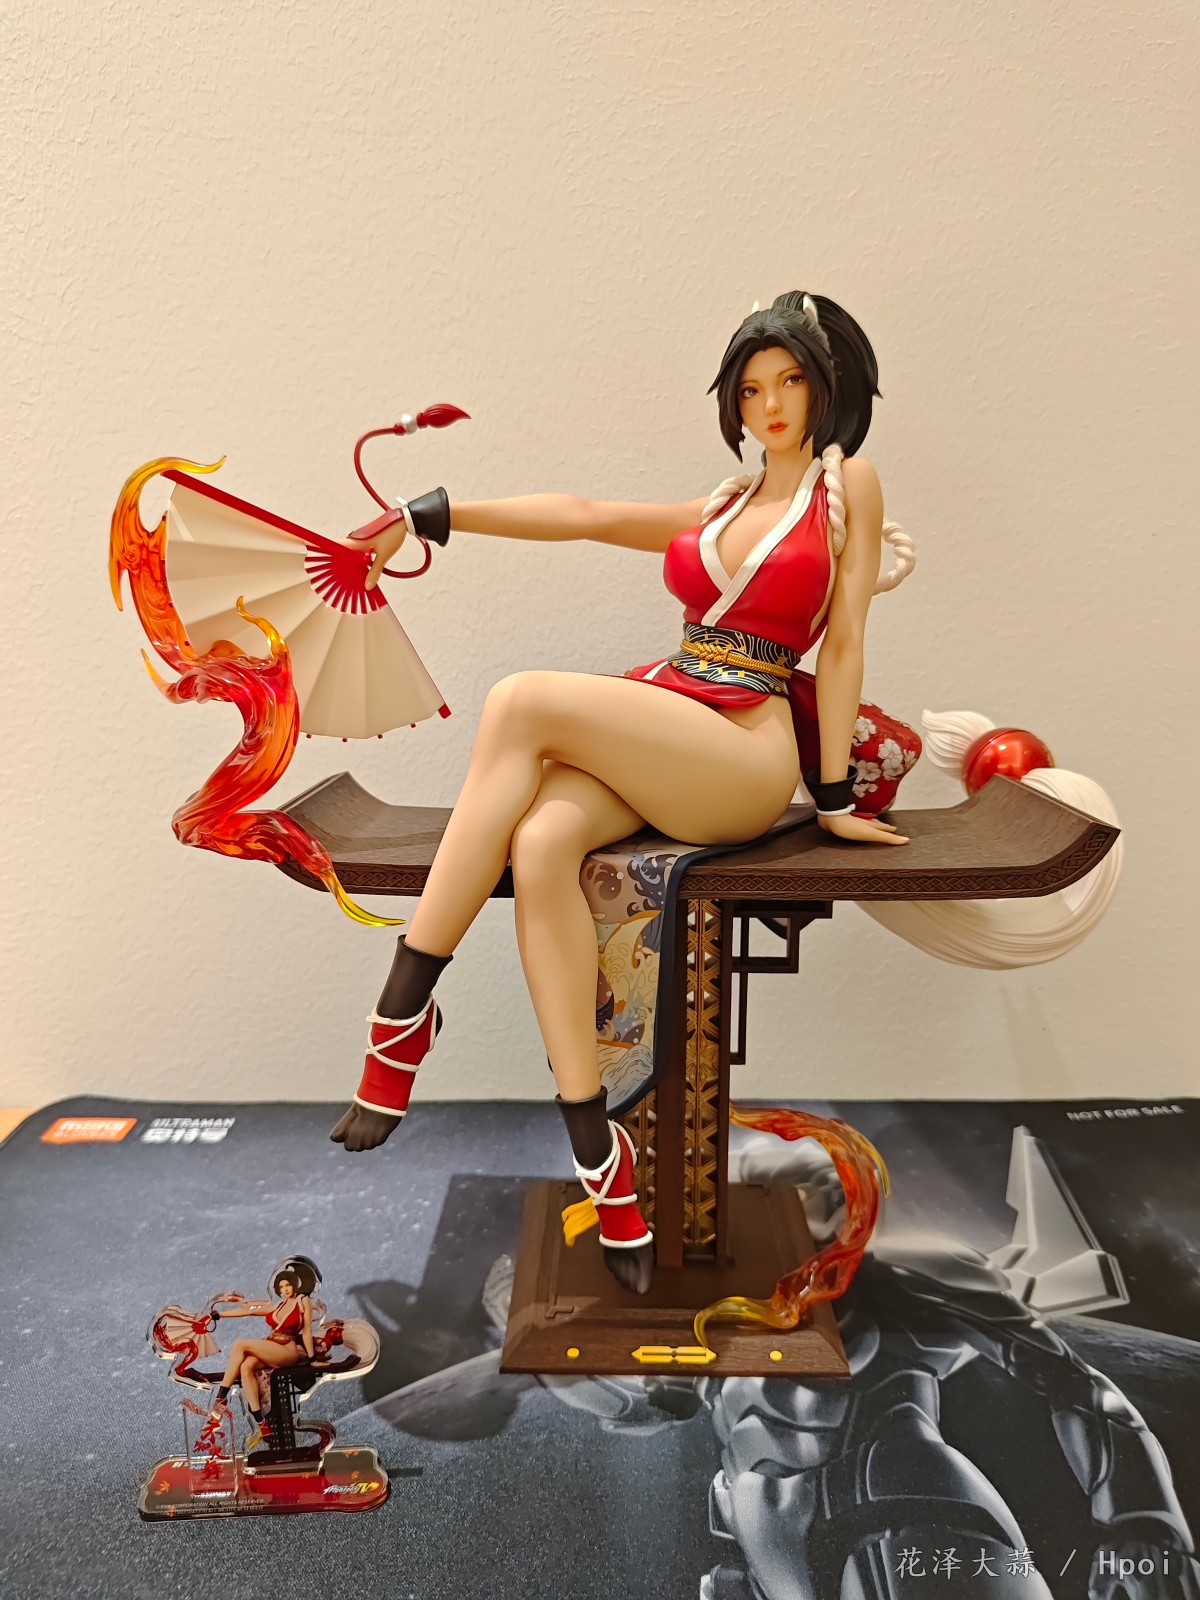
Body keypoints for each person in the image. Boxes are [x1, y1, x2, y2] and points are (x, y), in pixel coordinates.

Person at [332, 291, 914, 1296]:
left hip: (744, 750)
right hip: (673, 717)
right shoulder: (724, 503)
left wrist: (829, 796)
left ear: (830, 388)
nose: (772, 405)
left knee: (520, 701)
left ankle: (400, 1016)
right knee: (542, 841)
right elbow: (588, 516)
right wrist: (429, 513)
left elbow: (848, 638)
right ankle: (600, 1156)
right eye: (751, 388)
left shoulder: (845, 487)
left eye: (791, 382)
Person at [203, 1263, 315, 1436]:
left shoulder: (303, 1301)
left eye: (288, 1285)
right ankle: (261, 1422)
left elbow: (307, 1330)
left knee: (240, 1344)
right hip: (272, 1347)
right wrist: (219, 1315)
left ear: (295, 1284)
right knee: (246, 1366)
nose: (285, 1289)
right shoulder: (278, 1306)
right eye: (281, 1287)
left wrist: (312, 1356)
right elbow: (248, 1312)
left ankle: (221, 1398)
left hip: (287, 1350)